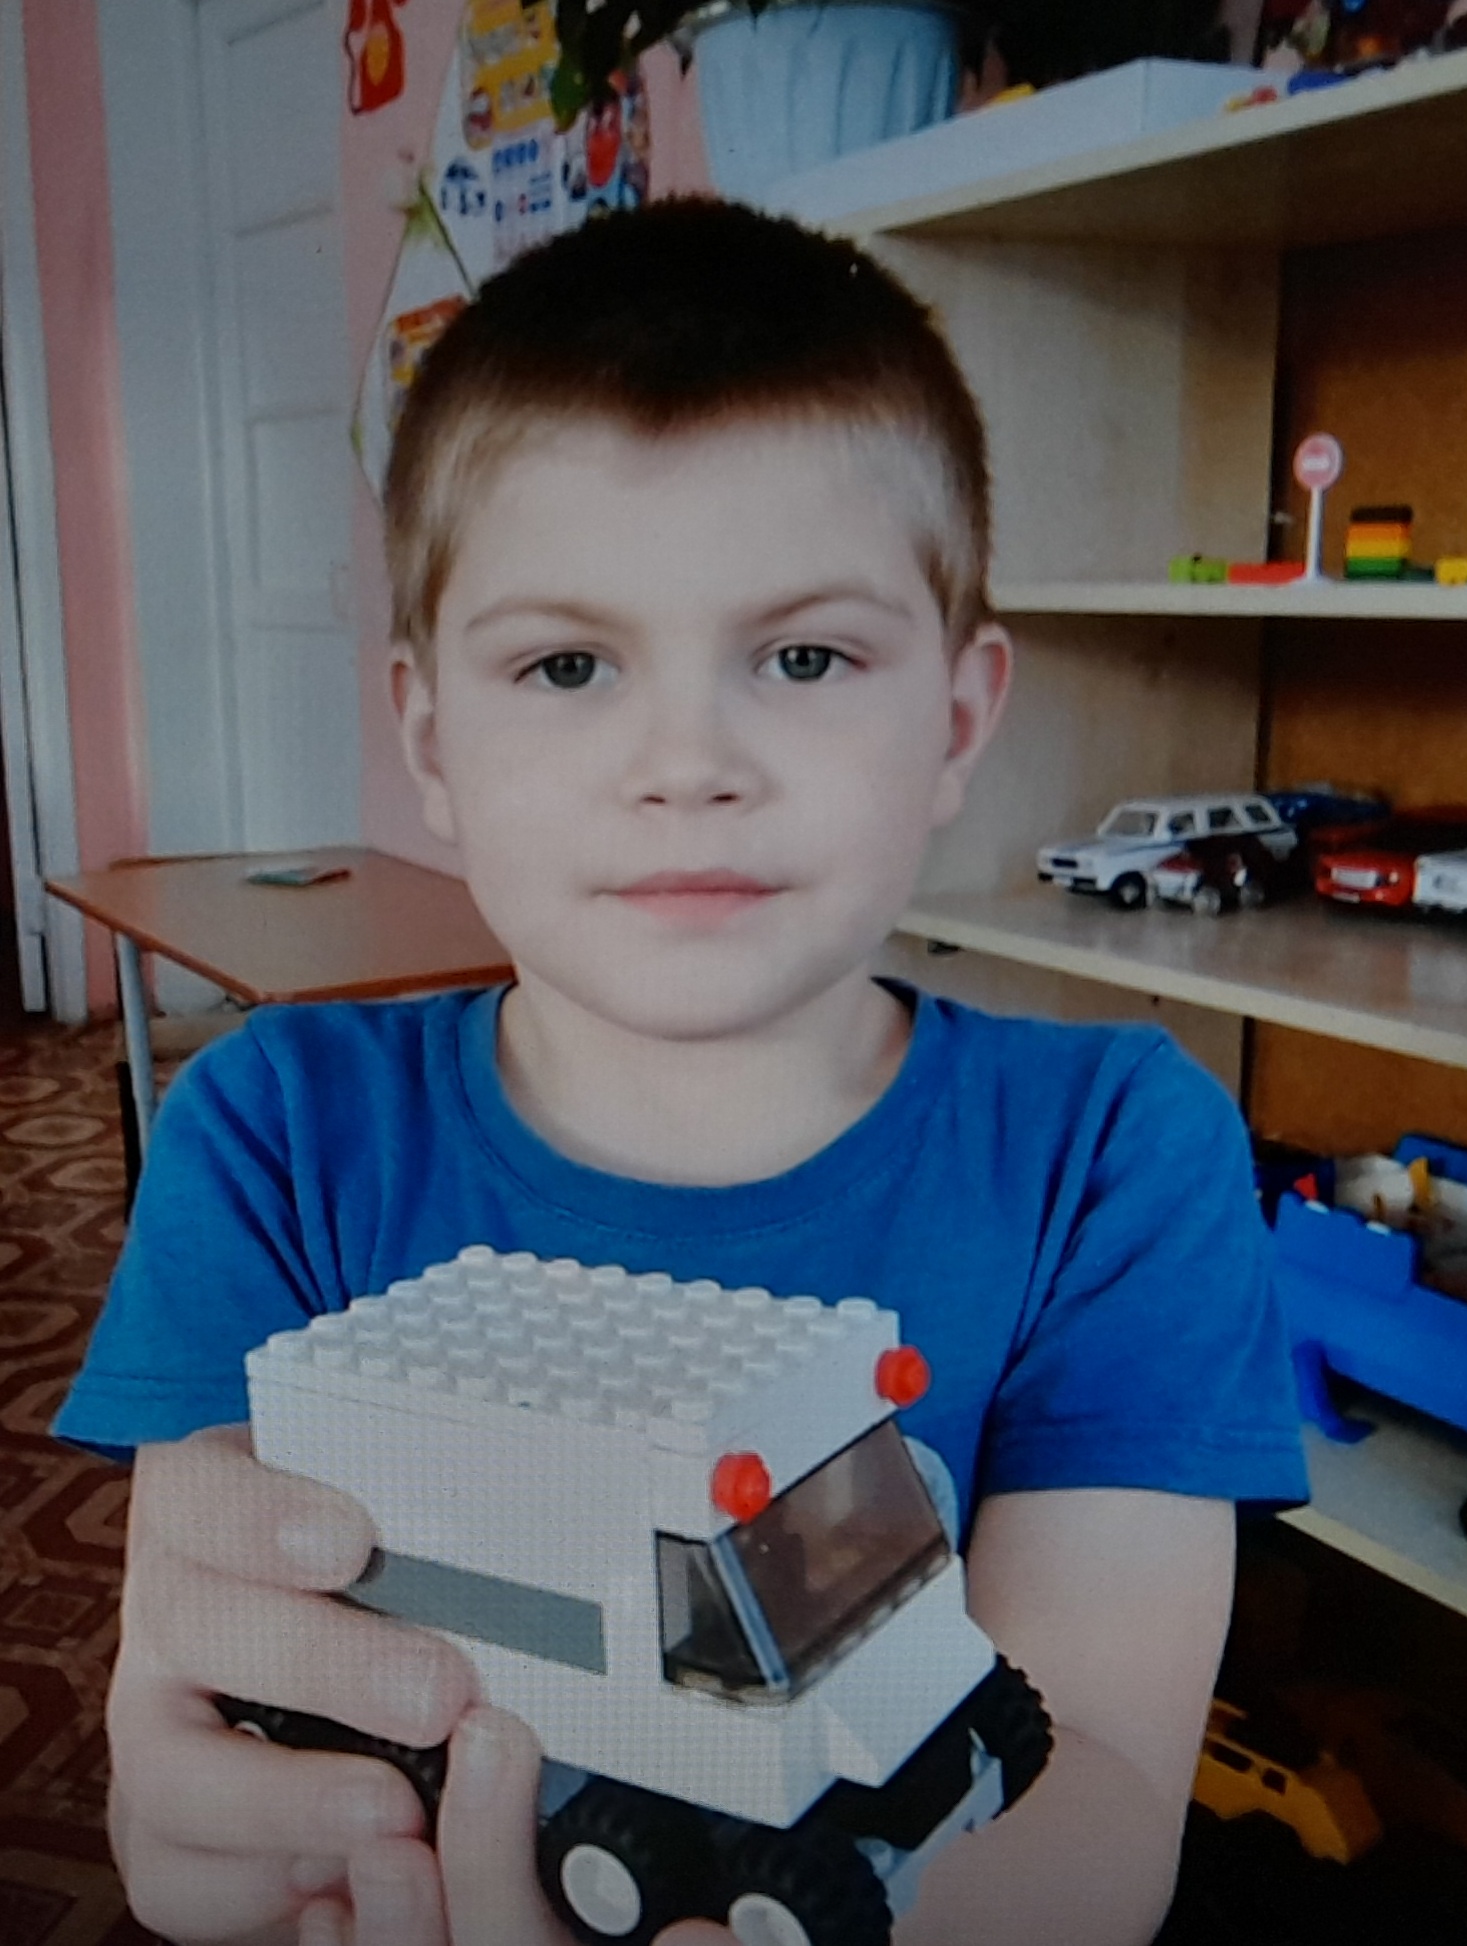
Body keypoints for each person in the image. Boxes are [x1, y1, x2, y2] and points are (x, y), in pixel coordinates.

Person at [54, 197, 1307, 1946]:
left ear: (956, 716)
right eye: (567, 664)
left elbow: (1089, 1815)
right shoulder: (271, 1127)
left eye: (802, 656)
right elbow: (215, 1706)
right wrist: (197, 1806)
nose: (686, 761)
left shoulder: (1115, 1147)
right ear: (430, 735)